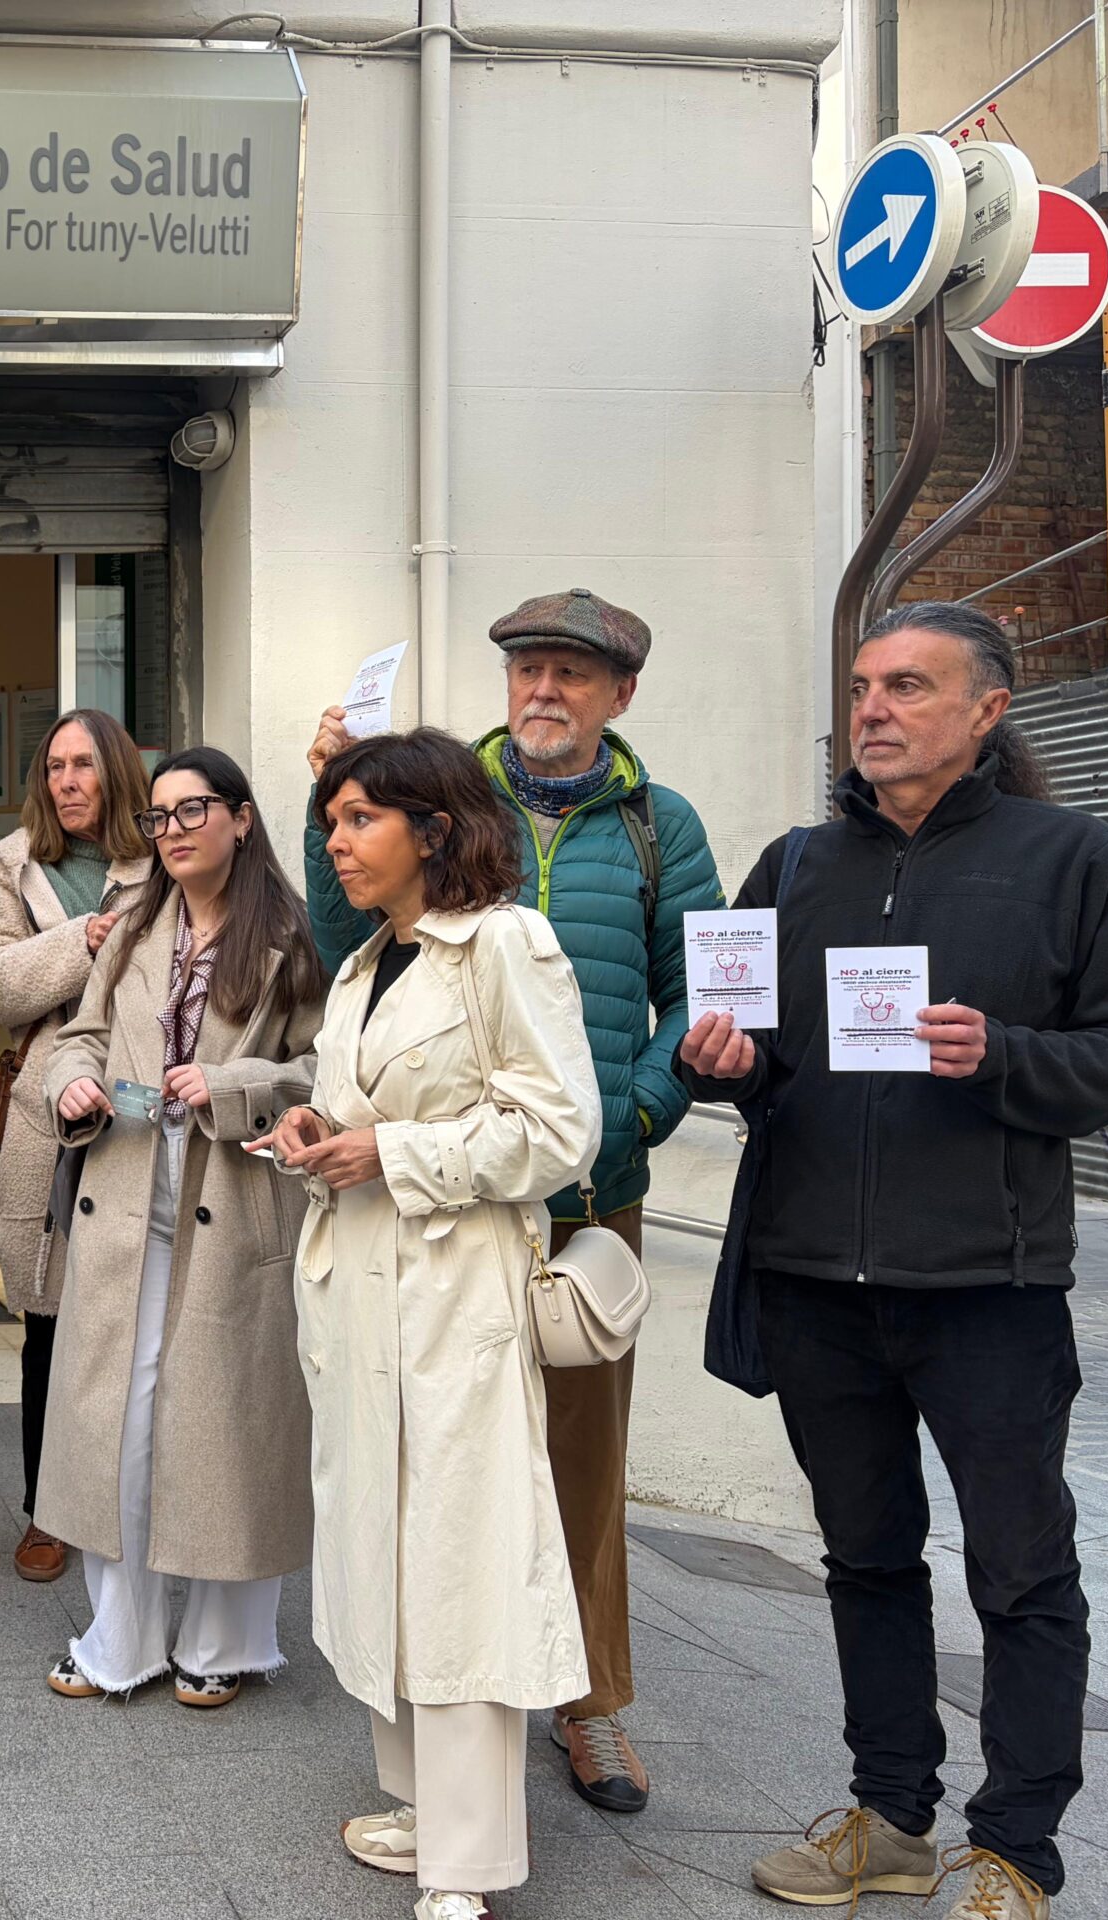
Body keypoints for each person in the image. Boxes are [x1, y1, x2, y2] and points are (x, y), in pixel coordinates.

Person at [678, 601, 1108, 1920]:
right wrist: (717, 1061)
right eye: (862, 687)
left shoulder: (1069, 856)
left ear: (986, 710)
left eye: (907, 686)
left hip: (989, 1286)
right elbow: (747, 1051)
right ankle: (889, 1820)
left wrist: (1002, 1053)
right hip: (815, 1278)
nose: (873, 709)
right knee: (867, 1558)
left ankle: (1015, 1852)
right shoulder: (796, 864)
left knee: (1021, 1571)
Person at [303, 588, 721, 1813]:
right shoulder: (443, 793)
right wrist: (333, 796)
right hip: (438, 1211)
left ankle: (587, 1704)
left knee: (580, 1457)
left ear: (618, 695)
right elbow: (346, 946)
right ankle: (441, 1712)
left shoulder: (656, 824)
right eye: (526, 669)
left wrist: (636, 1114)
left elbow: (699, 992)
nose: (543, 690)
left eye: (571, 675)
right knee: (437, 1467)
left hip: (591, 1192)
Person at [270, 727, 601, 1920]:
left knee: (460, 1560)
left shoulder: (504, 944)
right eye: (331, 820)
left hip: (457, 1298)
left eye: (360, 818)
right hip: (357, 1297)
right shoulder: (366, 963)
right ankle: (418, 1802)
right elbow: (356, 1109)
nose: (336, 841)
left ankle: (469, 1856)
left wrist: (394, 1153)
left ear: (434, 828)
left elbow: (561, 1132)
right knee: (379, 1547)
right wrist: (316, 1137)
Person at [34, 747, 321, 1706]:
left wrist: (234, 1084)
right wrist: (71, 1081)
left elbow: (331, 1067)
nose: (173, 830)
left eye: (193, 810)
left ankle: (226, 1643)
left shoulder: (291, 935)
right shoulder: (130, 929)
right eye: (158, 817)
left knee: (227, 1430)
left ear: (241, 817)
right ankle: (120, 1640)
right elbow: (80, 1035)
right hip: (124, 1201)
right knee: (117, 1427)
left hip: (234, 1211)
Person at [0, 709, 153, 1584]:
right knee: (51, 1318)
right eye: (53, 767)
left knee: (144, 1315)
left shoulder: (165, 856)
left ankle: (136, 1498)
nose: (67, 781)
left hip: (148, 1103)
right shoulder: (13, 865)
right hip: (52, 1109)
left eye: (83, 765)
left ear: (117, 773)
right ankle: (47, 1509)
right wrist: (80, 940)